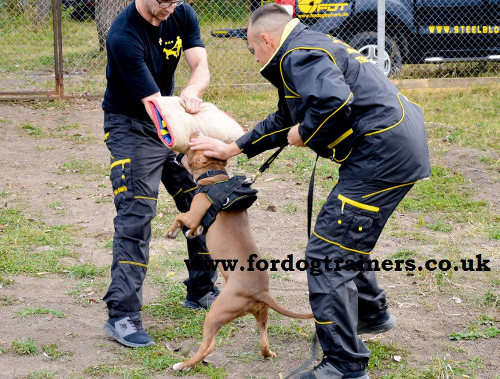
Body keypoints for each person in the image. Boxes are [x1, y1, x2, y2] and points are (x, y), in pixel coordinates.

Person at [189, 4, 431, 378]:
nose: (255, 58)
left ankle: (344, 365)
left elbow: (332, 103)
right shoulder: (306, 46)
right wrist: (233, 147)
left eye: (253, 50)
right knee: (345, 242)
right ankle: (370, 312)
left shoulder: (297, 55)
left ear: (266, 40)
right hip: (394, 143)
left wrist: (305, 132)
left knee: (325, 254)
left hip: (381, 154)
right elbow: (287, 117)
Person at [101, 0, 219, 348]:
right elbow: (153, 105)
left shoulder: (181, 13)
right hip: (131, 124)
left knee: (204, 199)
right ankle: (122, 315)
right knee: (137, 214)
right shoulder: (123, 35)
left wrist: (193, 91)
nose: (170, 6)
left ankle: (200, 289)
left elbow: (200, 64)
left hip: (169, 115)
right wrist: (182, 148)